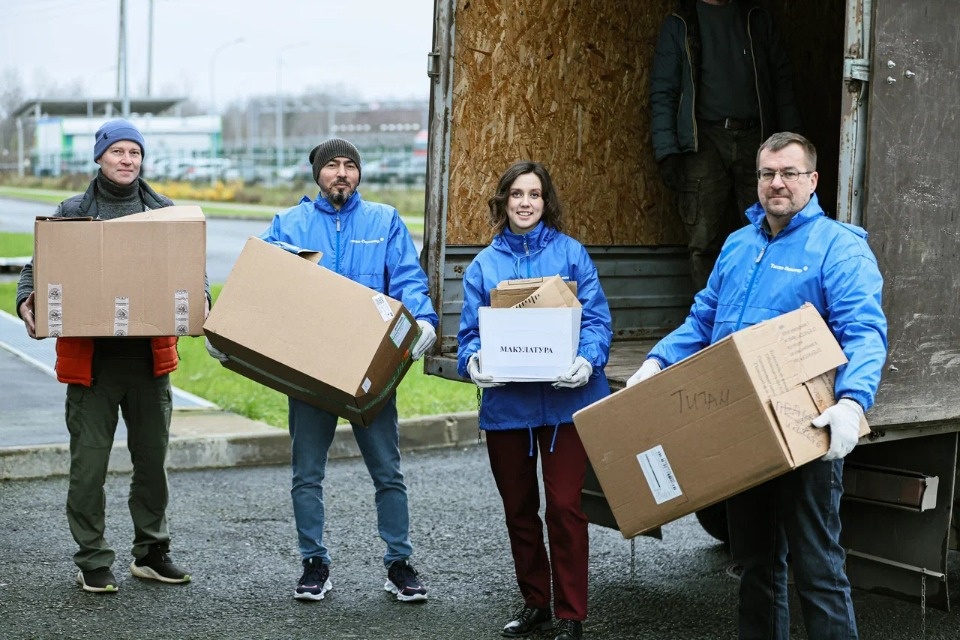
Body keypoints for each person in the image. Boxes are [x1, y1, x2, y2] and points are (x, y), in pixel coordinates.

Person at [627, 132, 887, 638]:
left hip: (806, 431)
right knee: (756, 566)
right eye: (768, 173)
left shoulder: (838, 248)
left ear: (812, 181)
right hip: (741, 427)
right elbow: (704, 320)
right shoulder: (739, 244)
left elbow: (864, 332)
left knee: (819, 569)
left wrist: (853, 403)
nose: (777, 183)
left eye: (790, 173)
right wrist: (657, 362)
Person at [16, 118, 202, 594]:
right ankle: (93, 558)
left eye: (134, 153)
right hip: (91, 367)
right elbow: (34, 274)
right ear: (99, 157)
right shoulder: (73, 211)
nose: (127, 160)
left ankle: (152, 552)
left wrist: (201, 302)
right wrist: (27, 304)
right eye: (117, 151)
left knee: (152, 467)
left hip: (149, 364)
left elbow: (192, 278)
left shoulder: (165, 212)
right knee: (89, 470)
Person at [252, 138, 438, 603]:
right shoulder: (289, 224)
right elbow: (264, 289)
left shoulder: (384, 220)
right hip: (310, 370)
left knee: (388, 472)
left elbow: (408, 278)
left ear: (359, 174)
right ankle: (314, 563)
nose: (341, 173)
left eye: (349, 166)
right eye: (332, 165)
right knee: (306, 472)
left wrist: (425, 319)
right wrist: (237, 336)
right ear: (317, 174)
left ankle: (399, 562)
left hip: (368, 367)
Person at [457, 161, 613, 640]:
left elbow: (597, 321)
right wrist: (473, 362)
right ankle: (536, 602)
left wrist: (588, 360)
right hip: (509, 411)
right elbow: (468, 336)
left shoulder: (570, 255)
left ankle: (571, 613)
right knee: (519, 511)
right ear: (504, 201)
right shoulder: (484, 266)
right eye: (517, 194)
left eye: (535, 195)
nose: (525, 203)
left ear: (547, 203)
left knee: (565, 507)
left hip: (567, 404)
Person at [649, 0, 802, 290]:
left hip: (757, 141)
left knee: (768, 230)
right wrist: (667, 151)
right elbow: (663, 90)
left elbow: (782, 83)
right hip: (703, 141)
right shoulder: (681, 23)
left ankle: (760, 317)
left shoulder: (756, 18)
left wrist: (793, 145)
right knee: (703, 239)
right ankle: (711, 324)